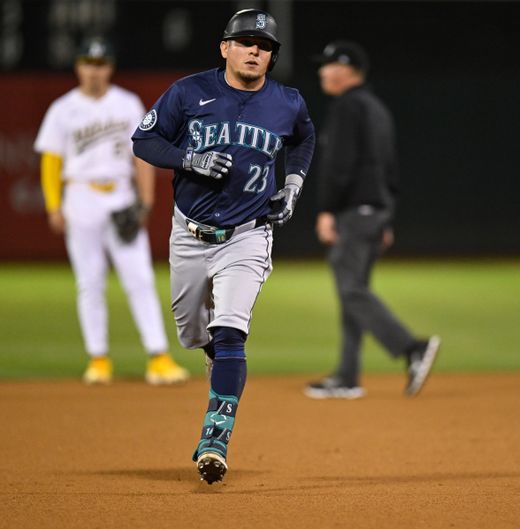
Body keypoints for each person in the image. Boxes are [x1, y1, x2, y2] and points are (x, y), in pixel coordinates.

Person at [131, 9, 315, 484]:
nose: (256, 50)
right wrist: (187, 158)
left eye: (265, 45)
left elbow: (304, 138)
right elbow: (144, 140)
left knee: (231, 331)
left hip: (249, 234)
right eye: (247, 41)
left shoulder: (287, 101)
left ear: (272, 56)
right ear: (225, 47)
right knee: (194, 334)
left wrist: (292, 183)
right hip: (189, 233)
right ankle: (218, 360)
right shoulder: (189, 91)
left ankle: (217, 432)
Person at [33, 36, 189, 386]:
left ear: (110, 68)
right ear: (78, 67)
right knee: (90, 282)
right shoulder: (63, 109)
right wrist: (54, 205)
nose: (94, 71)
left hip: (120, 196)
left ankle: (158, 356)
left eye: (101, 64)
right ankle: (99, 358)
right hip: (81, 197)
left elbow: (142, 154)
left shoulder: (127, 103)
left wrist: (145, 201)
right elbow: (51, 161)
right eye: (89, 63)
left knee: (140, 278)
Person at [304, 40, 440, 400]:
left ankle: (412, 348)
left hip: (354, 210)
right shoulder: (376, 108)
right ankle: (347, 376)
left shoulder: (348, 106)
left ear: (347, 70)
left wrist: (327, 209)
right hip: (374, 209)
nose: (322, 71)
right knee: (354, 292)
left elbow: (340, 166)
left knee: (350, 290)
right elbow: (390, 169)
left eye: (329, 65)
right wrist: (386, 216)